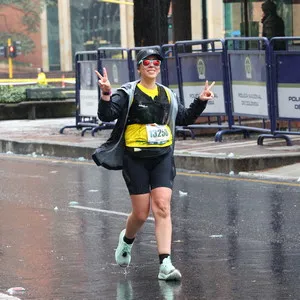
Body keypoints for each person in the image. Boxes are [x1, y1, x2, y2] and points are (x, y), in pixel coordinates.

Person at [94, 48, 215, 281]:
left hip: (162, 157)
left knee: (162, 207)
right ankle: (126, 240)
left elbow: (184, 118)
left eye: (156, 63)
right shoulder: (127, 93)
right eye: (146, 62)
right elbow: (107, 116)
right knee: (141, 214)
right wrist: (106, 94)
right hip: (135, 158)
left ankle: (165, 264)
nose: (152, 65)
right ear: (139, 67)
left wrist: (201, 101)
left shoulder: (167, 95)